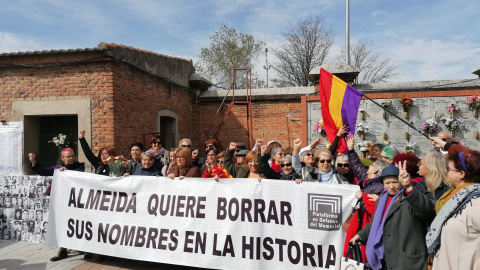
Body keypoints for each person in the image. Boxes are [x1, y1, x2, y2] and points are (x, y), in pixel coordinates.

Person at [350, 163, 435, 270]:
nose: (391, 186)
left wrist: (408, 186)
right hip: (386, 259)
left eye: (395, 182)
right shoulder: (381, 200)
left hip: (406, 260)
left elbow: (425, 210)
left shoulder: (409, 197)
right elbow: (376, 223)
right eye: (387, 183)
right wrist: (361, 235)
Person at [425, 139, 480, 270]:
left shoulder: (476, 201)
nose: (445, 171)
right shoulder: (454, 195)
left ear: (461, 173)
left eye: (449, 169)